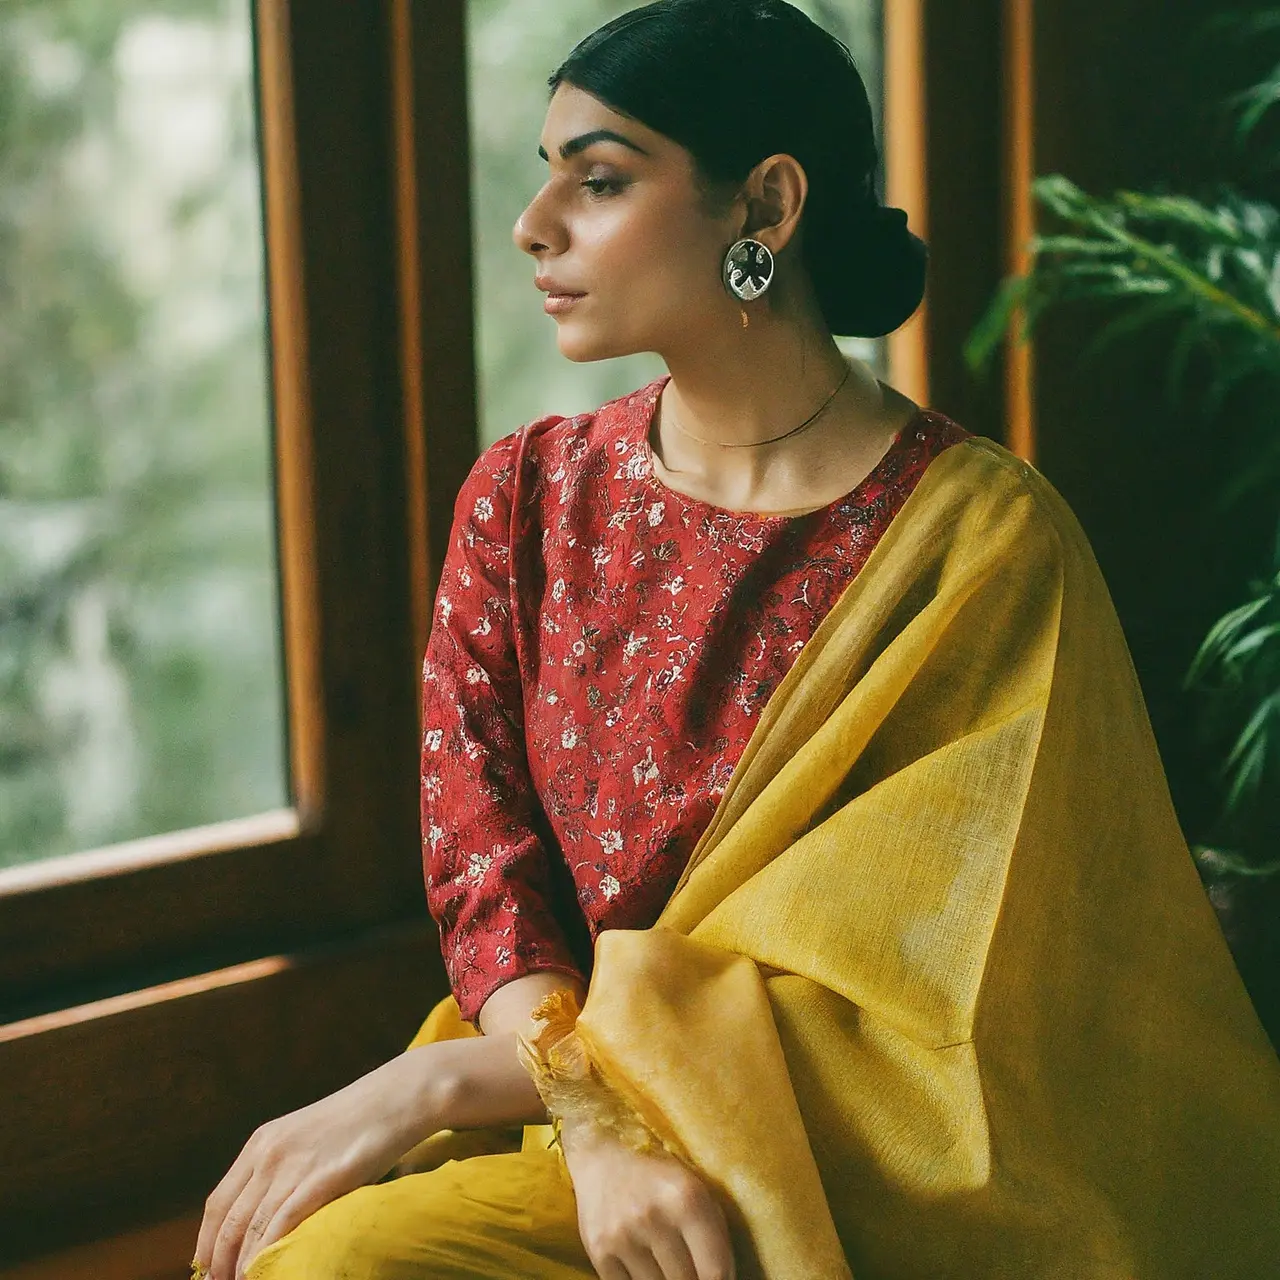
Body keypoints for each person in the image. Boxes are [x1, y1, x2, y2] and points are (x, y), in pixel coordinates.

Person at [193, 2, 1280, 1278]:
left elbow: (934, 1010)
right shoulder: (528, 498)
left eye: (596, 181)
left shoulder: (979, 545)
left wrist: (427, 1087)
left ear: (763, 205)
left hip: (849, 1163)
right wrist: (589, 1120)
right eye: (545, 180)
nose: (533, 227)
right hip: (560, 1112)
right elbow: (483, 866)